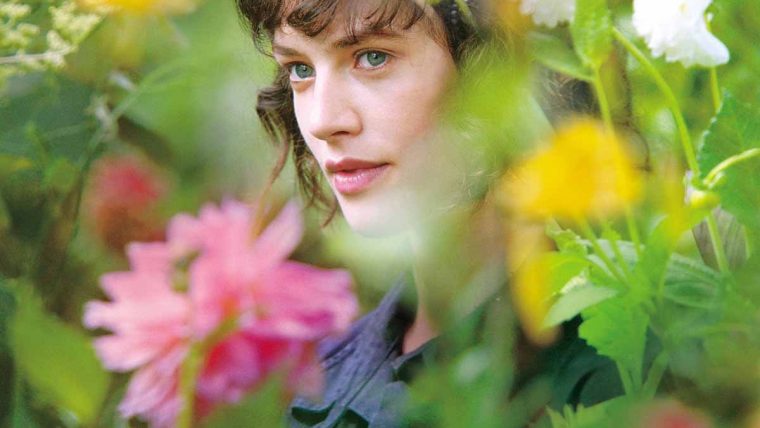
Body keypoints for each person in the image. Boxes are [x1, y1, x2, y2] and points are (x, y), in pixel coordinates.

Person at [236, 0, 617, 426]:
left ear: (495, 72)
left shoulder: (625, 365)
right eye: (300, 69)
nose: (323, 121)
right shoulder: (321, 385)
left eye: (373, 57)